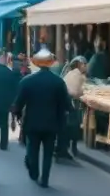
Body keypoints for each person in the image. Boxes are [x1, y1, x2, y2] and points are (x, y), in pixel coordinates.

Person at [12, 47, 70, 188]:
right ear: (51, 63)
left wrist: (17, 116)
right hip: (52, 123)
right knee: (48, 152)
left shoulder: (27, 81)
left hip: (32, 122)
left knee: (32, 149)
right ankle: (45, 179)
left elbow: (19, 103)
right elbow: (66, 104)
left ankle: (34, 171)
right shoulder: (58, 82)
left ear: (36, 63)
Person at [58, 55, 88, 162]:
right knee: (73, 125)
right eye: (84, 64)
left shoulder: (70, 74)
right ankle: (71, 148)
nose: (85, 66)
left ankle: (65, 148)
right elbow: (77, 92)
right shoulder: (78, 76)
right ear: (79, 65)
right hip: (72, 103)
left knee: (68, 125)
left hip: (66, 103)